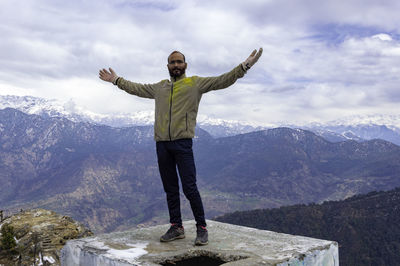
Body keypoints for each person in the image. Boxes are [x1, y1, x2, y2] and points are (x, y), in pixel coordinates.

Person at [99, 48, 263, 245]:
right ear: (167, 66)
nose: (176, 65)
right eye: (172, 62)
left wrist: (244, 66)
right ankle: (176, 227)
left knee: (190, 187)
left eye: (179, 62)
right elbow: (136, 88)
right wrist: (116, 80)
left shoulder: (195, 84)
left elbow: (223, 80)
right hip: (162, 144)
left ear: (185, 65)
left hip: (182, 143)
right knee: (170, 188)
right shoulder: (159, 87)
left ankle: (202, 228)